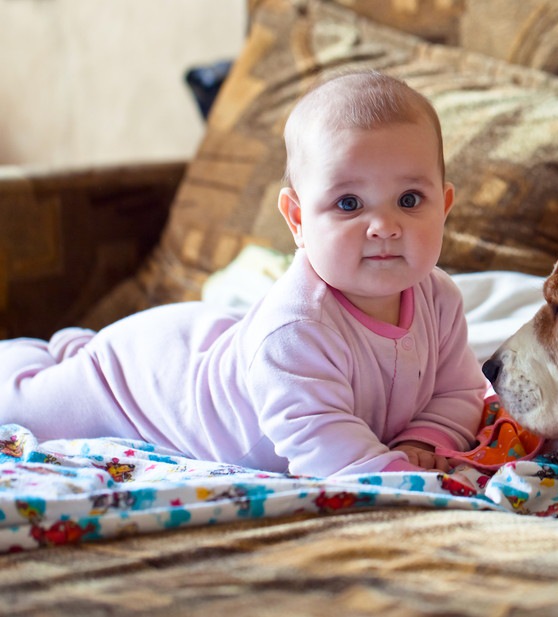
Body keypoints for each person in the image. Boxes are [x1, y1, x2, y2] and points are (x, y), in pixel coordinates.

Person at [0, 71, 488, 477]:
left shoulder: (439, 299)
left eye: (409, 200)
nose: (384, 226)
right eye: (348, 203)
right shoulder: (297, 329)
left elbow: (459, 391)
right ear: (297, 220)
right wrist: (401, 473)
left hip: (214, 339)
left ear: (443, 207)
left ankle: (68, 347)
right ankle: (41, 356)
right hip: (147, 387)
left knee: (74, 354)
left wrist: (424, 439)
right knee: (26, 402)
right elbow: (325, 446)